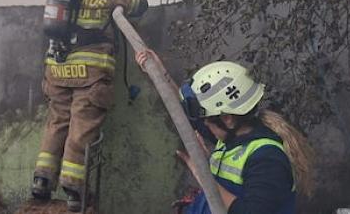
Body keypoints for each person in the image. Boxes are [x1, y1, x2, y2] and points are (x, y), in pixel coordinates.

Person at [32, 0, 148, 212]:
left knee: (57, 121)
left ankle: (41, 180)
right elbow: (140, 5)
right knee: (81, 126)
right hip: (91, 75)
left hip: (57, 70)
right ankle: (73, 187)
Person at [135, 50, 315, 214]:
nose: (204, 124)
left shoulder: (267, 159)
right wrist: (159, 72)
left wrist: (203, 174)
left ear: (227, 118)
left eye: (207, 119)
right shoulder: (231, 137)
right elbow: (186, 115)